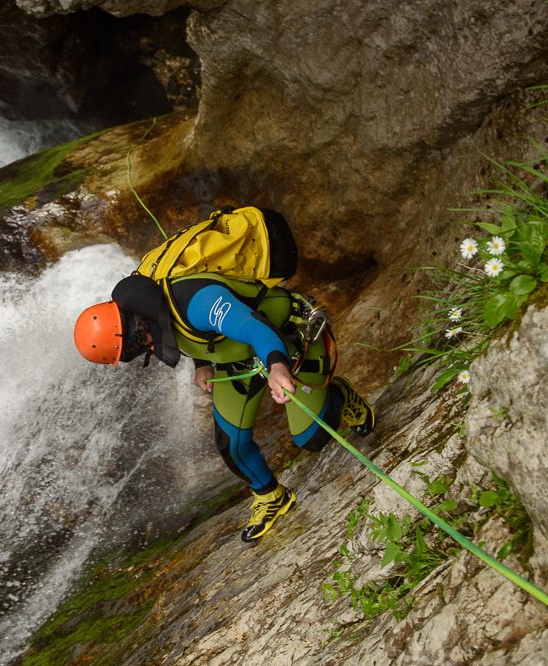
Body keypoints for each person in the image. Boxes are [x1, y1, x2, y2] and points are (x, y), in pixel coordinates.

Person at [73, 208, 376, 542]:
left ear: (128, 321)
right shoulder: (147, 316)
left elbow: (255, 328)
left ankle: (340, 397)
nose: (142, 348)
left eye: (135, 343)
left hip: (288, 340)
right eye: (132, 352)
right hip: (239, 360)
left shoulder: (197, 301)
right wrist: (201, 365)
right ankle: (271, 497)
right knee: (231, 442)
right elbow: (182, 336)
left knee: (311, 439)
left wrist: (277, 367)